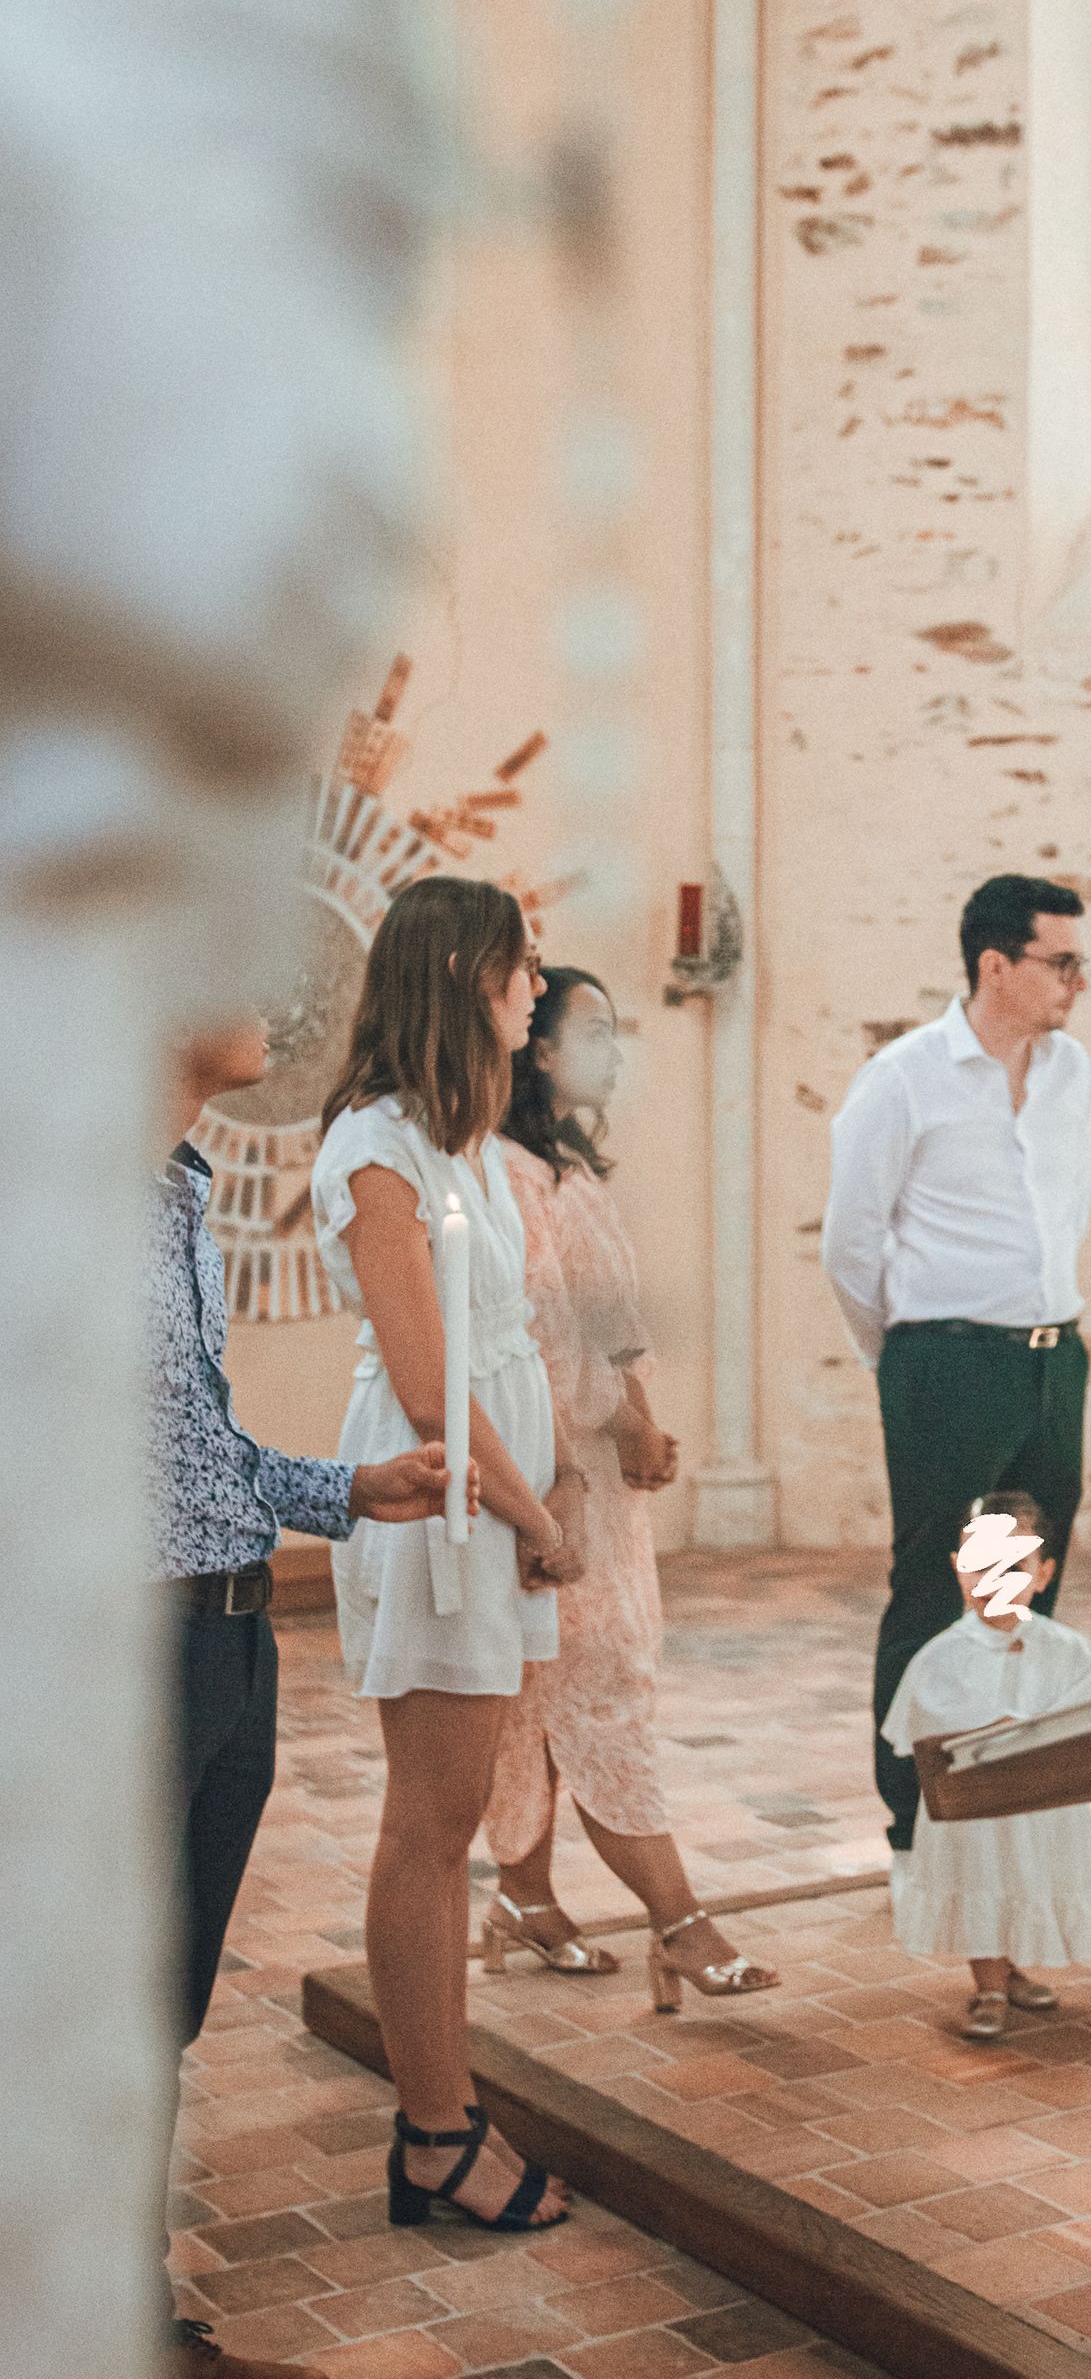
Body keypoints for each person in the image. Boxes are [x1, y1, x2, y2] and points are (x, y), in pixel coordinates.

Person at [151, 1014, 458, 2379]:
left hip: (224, 1632)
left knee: (153, 2010)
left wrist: (343, 1491)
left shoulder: (176, 1183)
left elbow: (188, 1442)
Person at [312, 876, 584, 2235]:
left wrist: (550, 1479)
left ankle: (451, 2097)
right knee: (429, 1822)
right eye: (520, 967)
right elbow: (427, 1383)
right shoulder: (378, 1148)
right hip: (442, 1499)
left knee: (459, 1813)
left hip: (496, 1489)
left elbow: (503, 1347)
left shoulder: (464, 1138)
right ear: (460, 977)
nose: (537, 987)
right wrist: (533, 1515)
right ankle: (432, 2130)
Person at [480, 965, 776, 2006]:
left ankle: (522, 1894)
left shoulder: (568, 1167)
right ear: (540, 1051)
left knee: (550, 1682)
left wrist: (644, 1427)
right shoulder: (507, 1172)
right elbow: (545, 1336)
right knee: (597, 1682)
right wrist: (627, 1421)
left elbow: (614, 1320)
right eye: (594, 1029)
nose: (616, 1050)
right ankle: (680, 1921)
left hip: (606, 1467)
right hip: (558, 1463)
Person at [821, 872, 1091, 1861]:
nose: (1077, 978)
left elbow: (1065, 1214)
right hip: (948, 1358)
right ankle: (919, 1826)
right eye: (1059, 959)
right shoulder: (904, 1076)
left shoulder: (1072, 1075)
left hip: (1049, 1360)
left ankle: (1017, 1822)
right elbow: (851, 1242)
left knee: (1030, 1600)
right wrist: (902, 1357)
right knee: (939, 1597)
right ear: (996, 964)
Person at [883, 1493, 1091, 2039]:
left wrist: (1046, 1733)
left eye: (1012, 1567)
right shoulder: (942, 1655)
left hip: (1041, 1795)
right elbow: (927, 1729)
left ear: (1044, 1574)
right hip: (976, 1801)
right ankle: (988, 1985)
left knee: (1026, 1874)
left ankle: (1012, 1969)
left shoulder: (1071, 1651)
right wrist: (1002, 1727)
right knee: (983, 1875)